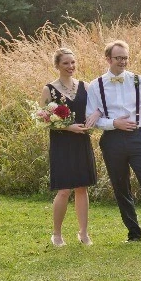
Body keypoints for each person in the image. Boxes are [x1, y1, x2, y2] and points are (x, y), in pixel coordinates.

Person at [85, 40, 141, 243]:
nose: (122, 62)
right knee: (121, 187)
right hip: (112, 140)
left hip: (139, 138)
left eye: (125, 58)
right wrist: (114, 123)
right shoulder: (96, 86)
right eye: (118, 58)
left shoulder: (139, 81)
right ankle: (134, 233)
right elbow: (92, 120)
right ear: (108, 59)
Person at [41, 47, 98, 246]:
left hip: (81, 141)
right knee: (64, 190)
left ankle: (83, 233)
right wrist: (67, 127)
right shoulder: (49, 89)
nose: (70, 66)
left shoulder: (86, 86)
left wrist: (95, 117)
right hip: (61, 143)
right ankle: (57, 234)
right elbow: (44, 118)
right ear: (57, 65)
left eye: (73, 62)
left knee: (82, 188)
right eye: (66, 63)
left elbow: (97, 108)